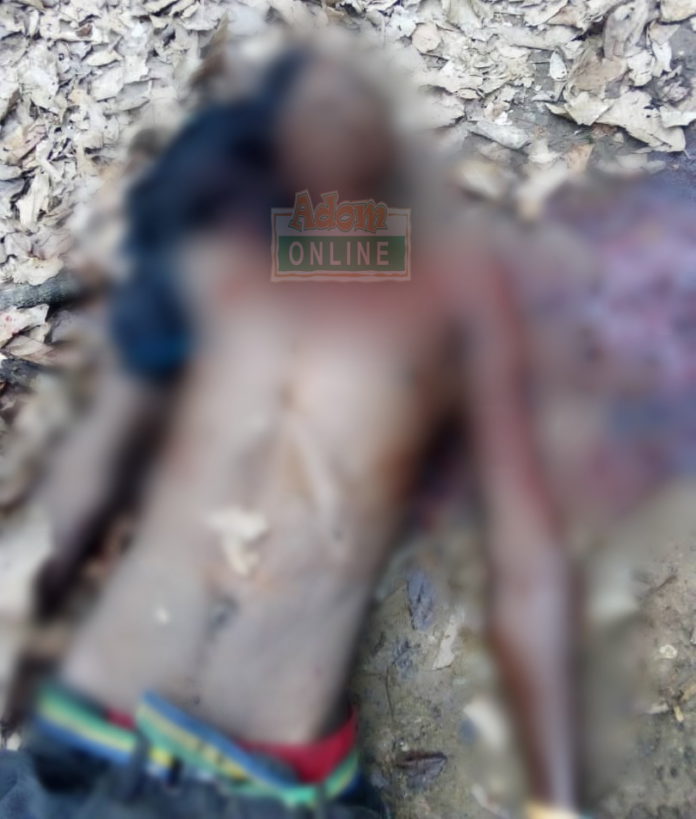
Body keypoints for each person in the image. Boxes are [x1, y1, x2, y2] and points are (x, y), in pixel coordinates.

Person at [0, 49, 580, 819]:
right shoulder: (215, 269)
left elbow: (527, 558)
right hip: (100, 749)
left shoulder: (453, 291)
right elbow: (80, 485)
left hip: (234, 773)